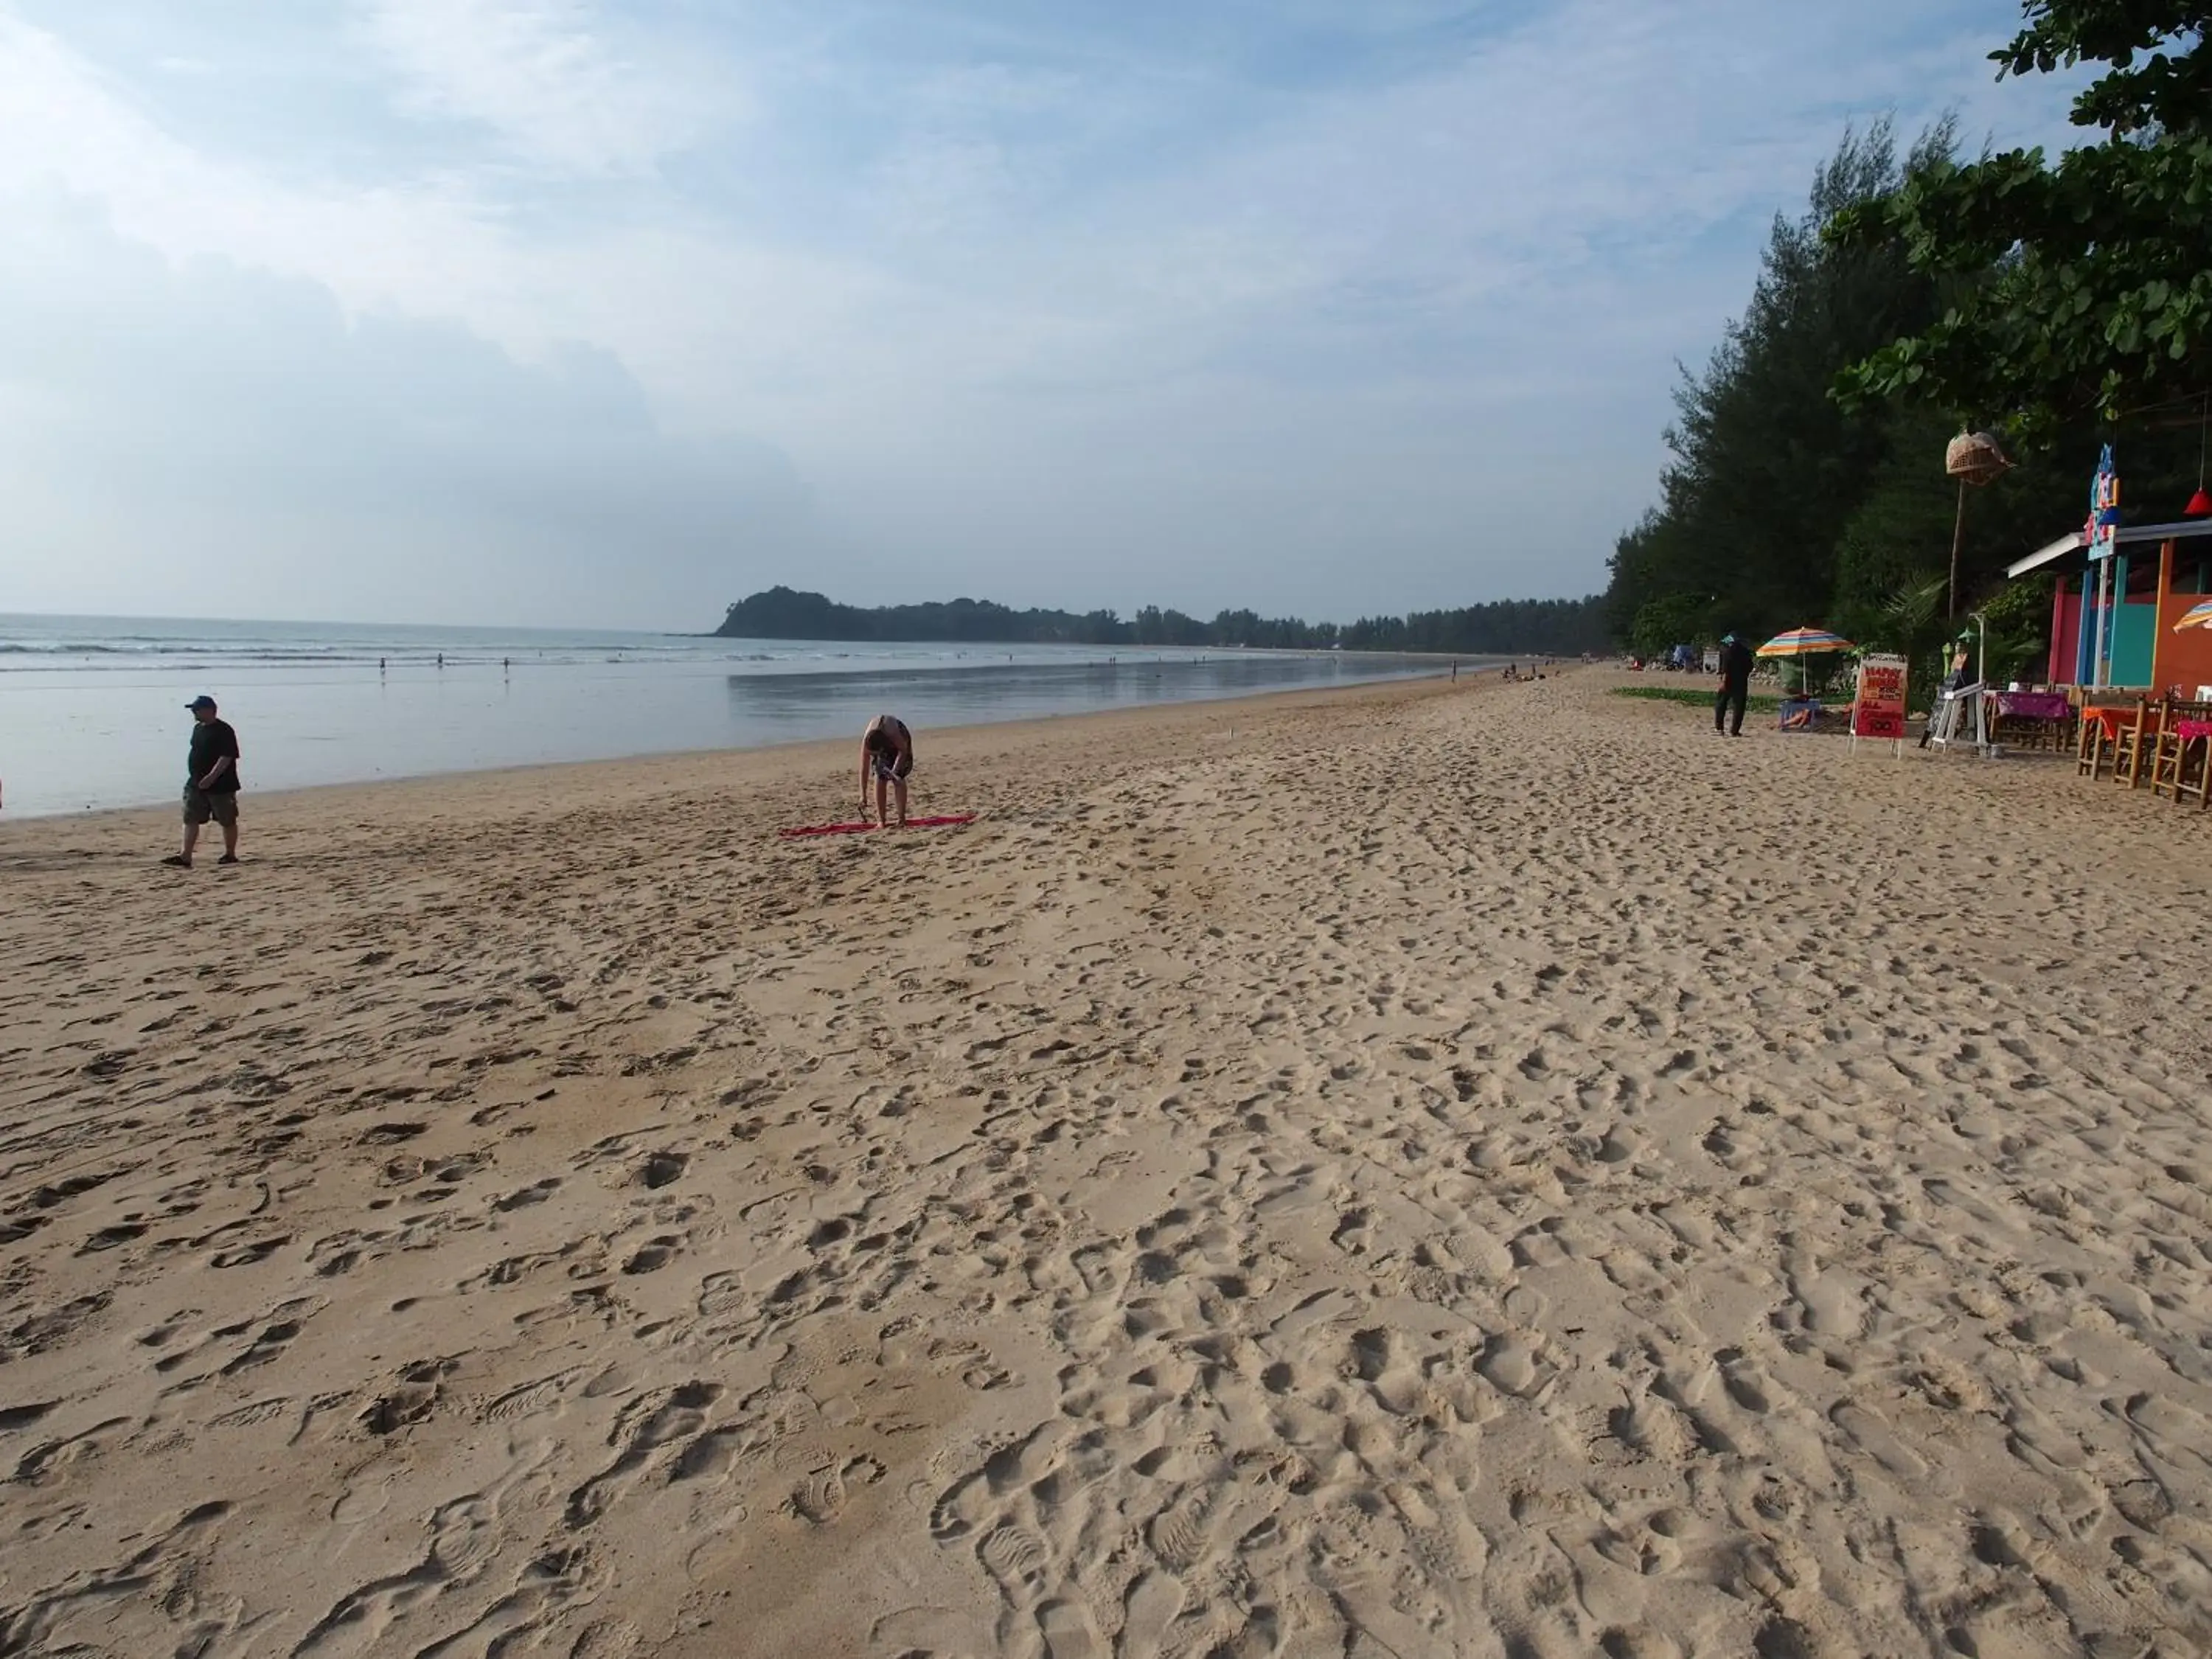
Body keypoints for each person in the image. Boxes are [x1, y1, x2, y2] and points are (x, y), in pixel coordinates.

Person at [167, 695, 241, 868]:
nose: (194, 713)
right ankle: (185, 856)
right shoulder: (198, 729)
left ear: (209, 710)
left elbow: (227, 757)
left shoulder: (224, 730)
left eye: (197, 710)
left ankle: (230, 854)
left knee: (227, 819)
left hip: (222, 785)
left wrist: (212, 777)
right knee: (190, 818)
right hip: (195, 783)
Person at [859, 714, 914, 827]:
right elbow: (864, 768)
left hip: (899, 737)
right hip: (880, 740)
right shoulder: (866, 743)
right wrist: (863, 795)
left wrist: (895, 771)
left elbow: (902, 751)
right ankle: (881, 820)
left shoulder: (893, 734)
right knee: (880, 777)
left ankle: (901, 819)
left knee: (899, 778)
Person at [1714, 633, 1755, 736]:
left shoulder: (1727, 651)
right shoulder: (1746, 651)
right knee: (1739, 707)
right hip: (1741, 681)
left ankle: (1719, 728)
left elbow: (1725, 668)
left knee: (1721, 703)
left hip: (1728, 680)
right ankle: (1735, 730)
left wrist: (1723, 680)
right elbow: (1750, 666)